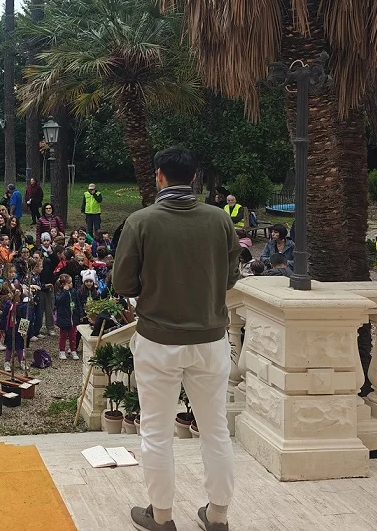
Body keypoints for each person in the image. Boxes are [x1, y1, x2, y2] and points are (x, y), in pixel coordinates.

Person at [114, 146, 239, 531]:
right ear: (195, 178)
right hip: (211, 340)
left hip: (157, 340)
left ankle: (162, 516)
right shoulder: (220, 220)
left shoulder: (141, 221)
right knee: (215, 430)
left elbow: (122, 282)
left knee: (156, 430)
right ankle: (217, 516)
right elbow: (231, 276)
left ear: (159, 177)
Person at [54, 274, 81, 360]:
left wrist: (80, 313)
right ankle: (62, 351)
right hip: (64, 318)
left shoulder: (74, 292)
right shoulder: (60, 292)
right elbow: (58, 302)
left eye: (71, 282)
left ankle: (73, 350)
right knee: (63, 336)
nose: (71, 284)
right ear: (63, 284)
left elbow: (77, 303)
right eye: (69, 283)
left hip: (73, 318)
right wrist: (65, 292)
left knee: (73, 335)